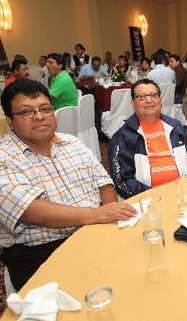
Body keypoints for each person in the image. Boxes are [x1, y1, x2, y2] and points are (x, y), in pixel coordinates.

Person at [0, 79, 136, 290]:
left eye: (45, 108)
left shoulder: (71, 142)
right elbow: (30, 210)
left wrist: (108, 216)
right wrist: (96, 215)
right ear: (9, 121)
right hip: (42, 252)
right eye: (26, 112)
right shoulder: (4, 158)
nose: (39, 116)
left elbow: (104, 183)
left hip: (95, 232)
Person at [108, 79, 187, 199]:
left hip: (184, 194)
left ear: (160, 100)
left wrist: (186, 186)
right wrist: (156, 196)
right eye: (141, 97)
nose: (149, 100)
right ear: (132, 103)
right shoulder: (123, 137)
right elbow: (122, 180)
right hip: (148, 202)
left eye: (154, 95)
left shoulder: (176, 128)